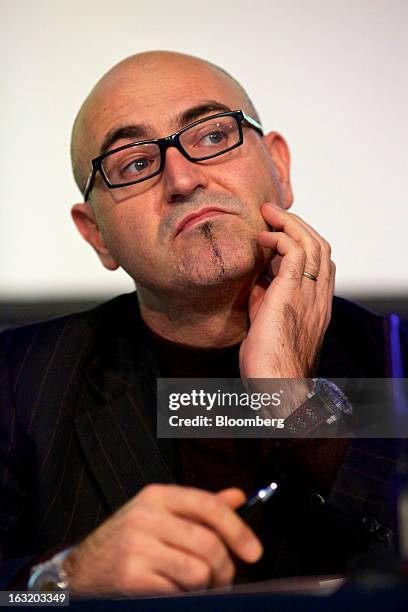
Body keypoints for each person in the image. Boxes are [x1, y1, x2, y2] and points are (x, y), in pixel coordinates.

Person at [0, 51, 406, 596]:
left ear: (280, 169)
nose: (184, 178)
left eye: (213, 135)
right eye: (135, 164)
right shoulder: (18, 385)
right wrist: (62, 583)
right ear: (96, 233)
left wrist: (294, 404)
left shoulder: (393, 355)